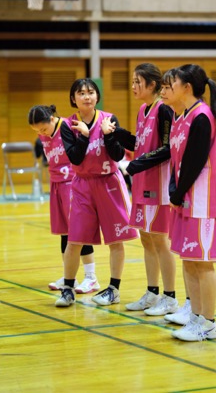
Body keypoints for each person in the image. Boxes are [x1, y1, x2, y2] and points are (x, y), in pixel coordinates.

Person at [55, 78, 138, 307]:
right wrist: (83, 135)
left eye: (91, 92)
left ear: (97, 96)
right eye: (81, 93)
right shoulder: (67, 125)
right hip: (82, 185)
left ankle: (114, 289)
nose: (87, 96)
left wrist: (109, 135)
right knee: (75, 240)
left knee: (116, 240)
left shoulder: (109, 118)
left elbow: (119, 154)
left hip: (109, 183)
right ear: (73, 99)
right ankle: (68, 289)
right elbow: (75, 158)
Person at [105, 63, 178, 316]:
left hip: (159, 187)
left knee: (160, 241)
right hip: (142, 185)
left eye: (138, 82)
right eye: (133, 81)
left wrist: (134, 164)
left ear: (153, 85)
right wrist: (117, 132)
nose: (133, 86)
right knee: (147, 240)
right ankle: (152, 292)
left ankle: (170, 298)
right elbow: (140, 143)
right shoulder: (142, 110)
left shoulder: (164, 110)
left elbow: (167, 148)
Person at [165, 64, 216, 341]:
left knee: (203, 262)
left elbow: (195, 162)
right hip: (185, 199)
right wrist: (175, 192)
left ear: (186, 87)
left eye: (172, 83)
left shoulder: (202, 117)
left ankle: (209, 324)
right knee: (189, 260)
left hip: (200, 201)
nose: (167, 88)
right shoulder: (182, 117)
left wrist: (177, 194)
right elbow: (176, 161)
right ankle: (195, 318)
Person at [28, 105, 100, 294]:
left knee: (79, 231)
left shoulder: (69, 126)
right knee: (64, 232)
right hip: (56, 184)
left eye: (43, 128)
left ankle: (91, 277)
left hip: (73, 184)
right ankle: (70, 275)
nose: (41, 133)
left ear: (52, 119)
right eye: (37, 131)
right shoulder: (44, 135)